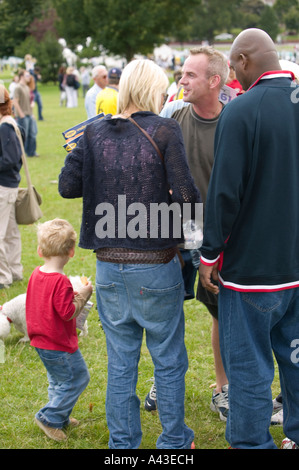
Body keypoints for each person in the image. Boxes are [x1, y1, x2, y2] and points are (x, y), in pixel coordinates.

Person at [59, 58, 200, 449]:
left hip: (109, 267)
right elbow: (187, 196)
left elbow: (68, 186)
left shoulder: (95, 133)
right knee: (168, 360)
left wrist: (82, 149)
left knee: (122, 363)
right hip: (155, 265)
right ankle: (173, 443)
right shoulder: (164, 128)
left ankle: (123, 445)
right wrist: (196, 249)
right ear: (152, 88)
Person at [198, 28, 299, 449]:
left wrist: (208, 255)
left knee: (248, 369)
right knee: (295, 364)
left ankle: (253, 443)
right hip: (295, 267)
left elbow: (224, 193)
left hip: (251, 273)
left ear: (240, 62)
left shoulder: (240, 110)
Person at [145, 46, 230, 421]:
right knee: (165, 313)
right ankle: (162, 383)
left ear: (215, 81)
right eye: (181, 73)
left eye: (190, 75)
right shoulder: (173, 118)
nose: (181, 80)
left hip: (219, 239)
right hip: (175, 234)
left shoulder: (235, 122)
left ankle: (223, 388)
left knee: (223, 315)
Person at [25, 218, 93, 442]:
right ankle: (49, 417)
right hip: (58, 343)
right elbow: (67, 313)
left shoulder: (36, 274)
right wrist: (83, 294)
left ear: (39, 250)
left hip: (40, 341)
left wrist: (68, 296)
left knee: (58, 381)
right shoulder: (61, 281)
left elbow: (48, 302)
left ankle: (61, 416)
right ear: (72, 252)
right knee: (78, 378)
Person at [0, 84, 24, 288]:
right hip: (9, 185)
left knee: (3, 233)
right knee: (10, 232)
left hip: (3, 186)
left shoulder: (5, 126)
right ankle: (14, 272)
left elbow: (9, 159)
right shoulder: (8, 123)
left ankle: (3, 277)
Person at [13, 69, 38, 157]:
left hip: (29, 115)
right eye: (27, 76)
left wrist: (32, 114)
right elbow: (15, 102)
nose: (29, 77)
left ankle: (31, 152)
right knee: (23, 136)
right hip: (22, 116)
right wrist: (21, 114)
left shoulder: (27, 87)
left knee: (33, 134)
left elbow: (29, 102)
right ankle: (20, 154)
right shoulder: (18, 87)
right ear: (21, 77)